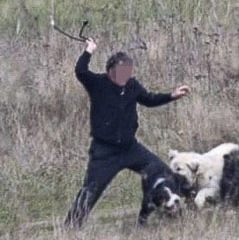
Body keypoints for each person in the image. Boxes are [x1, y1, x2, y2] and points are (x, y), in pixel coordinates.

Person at [64, 37, 190, 227]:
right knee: (91, 190)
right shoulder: (98, 83)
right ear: (110, 71)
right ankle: (71, 228)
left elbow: (148, 99)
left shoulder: (132, 86)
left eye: (127, 71)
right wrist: (89, 50)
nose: (124, 76)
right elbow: (80, 71)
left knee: (161, 170)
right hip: (104, 152)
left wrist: (171, 96)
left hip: (130, 148)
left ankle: (163, 209)